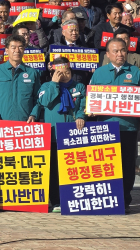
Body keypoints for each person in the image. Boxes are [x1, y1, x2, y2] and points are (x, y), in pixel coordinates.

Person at [89, 38, 140, 213]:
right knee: (106, 166)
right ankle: (108, 201)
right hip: (105, 127)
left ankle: (124, 201)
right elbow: (91, 98)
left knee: (126, 165)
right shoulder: (99, 73)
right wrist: (91, 109)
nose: (120, 54)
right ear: (108, 54)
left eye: (123, 50)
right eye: (116, 51)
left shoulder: (135, 72)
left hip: (128, 127)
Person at [37, 57, 86, 213]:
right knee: (53, 169)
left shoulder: (79, 86)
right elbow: (44, 102)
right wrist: (54, 84)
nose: (64, 75)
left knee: (70, 169)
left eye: (67, 72)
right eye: (60, 72)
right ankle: (56, 200)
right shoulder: (46, 86)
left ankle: (72, 199)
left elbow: (83, 105)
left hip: (72, 134)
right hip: (53, 134)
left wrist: (80, 116)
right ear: (53, 72)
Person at [0, 35, 41, 122]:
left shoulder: (32, 72)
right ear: (7, 50)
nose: (17, 51)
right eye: (13, 47)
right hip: (1, 123)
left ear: (24, 50)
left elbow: (38, 98)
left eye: (20, 47)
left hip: (25, 123)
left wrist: (34, 114)